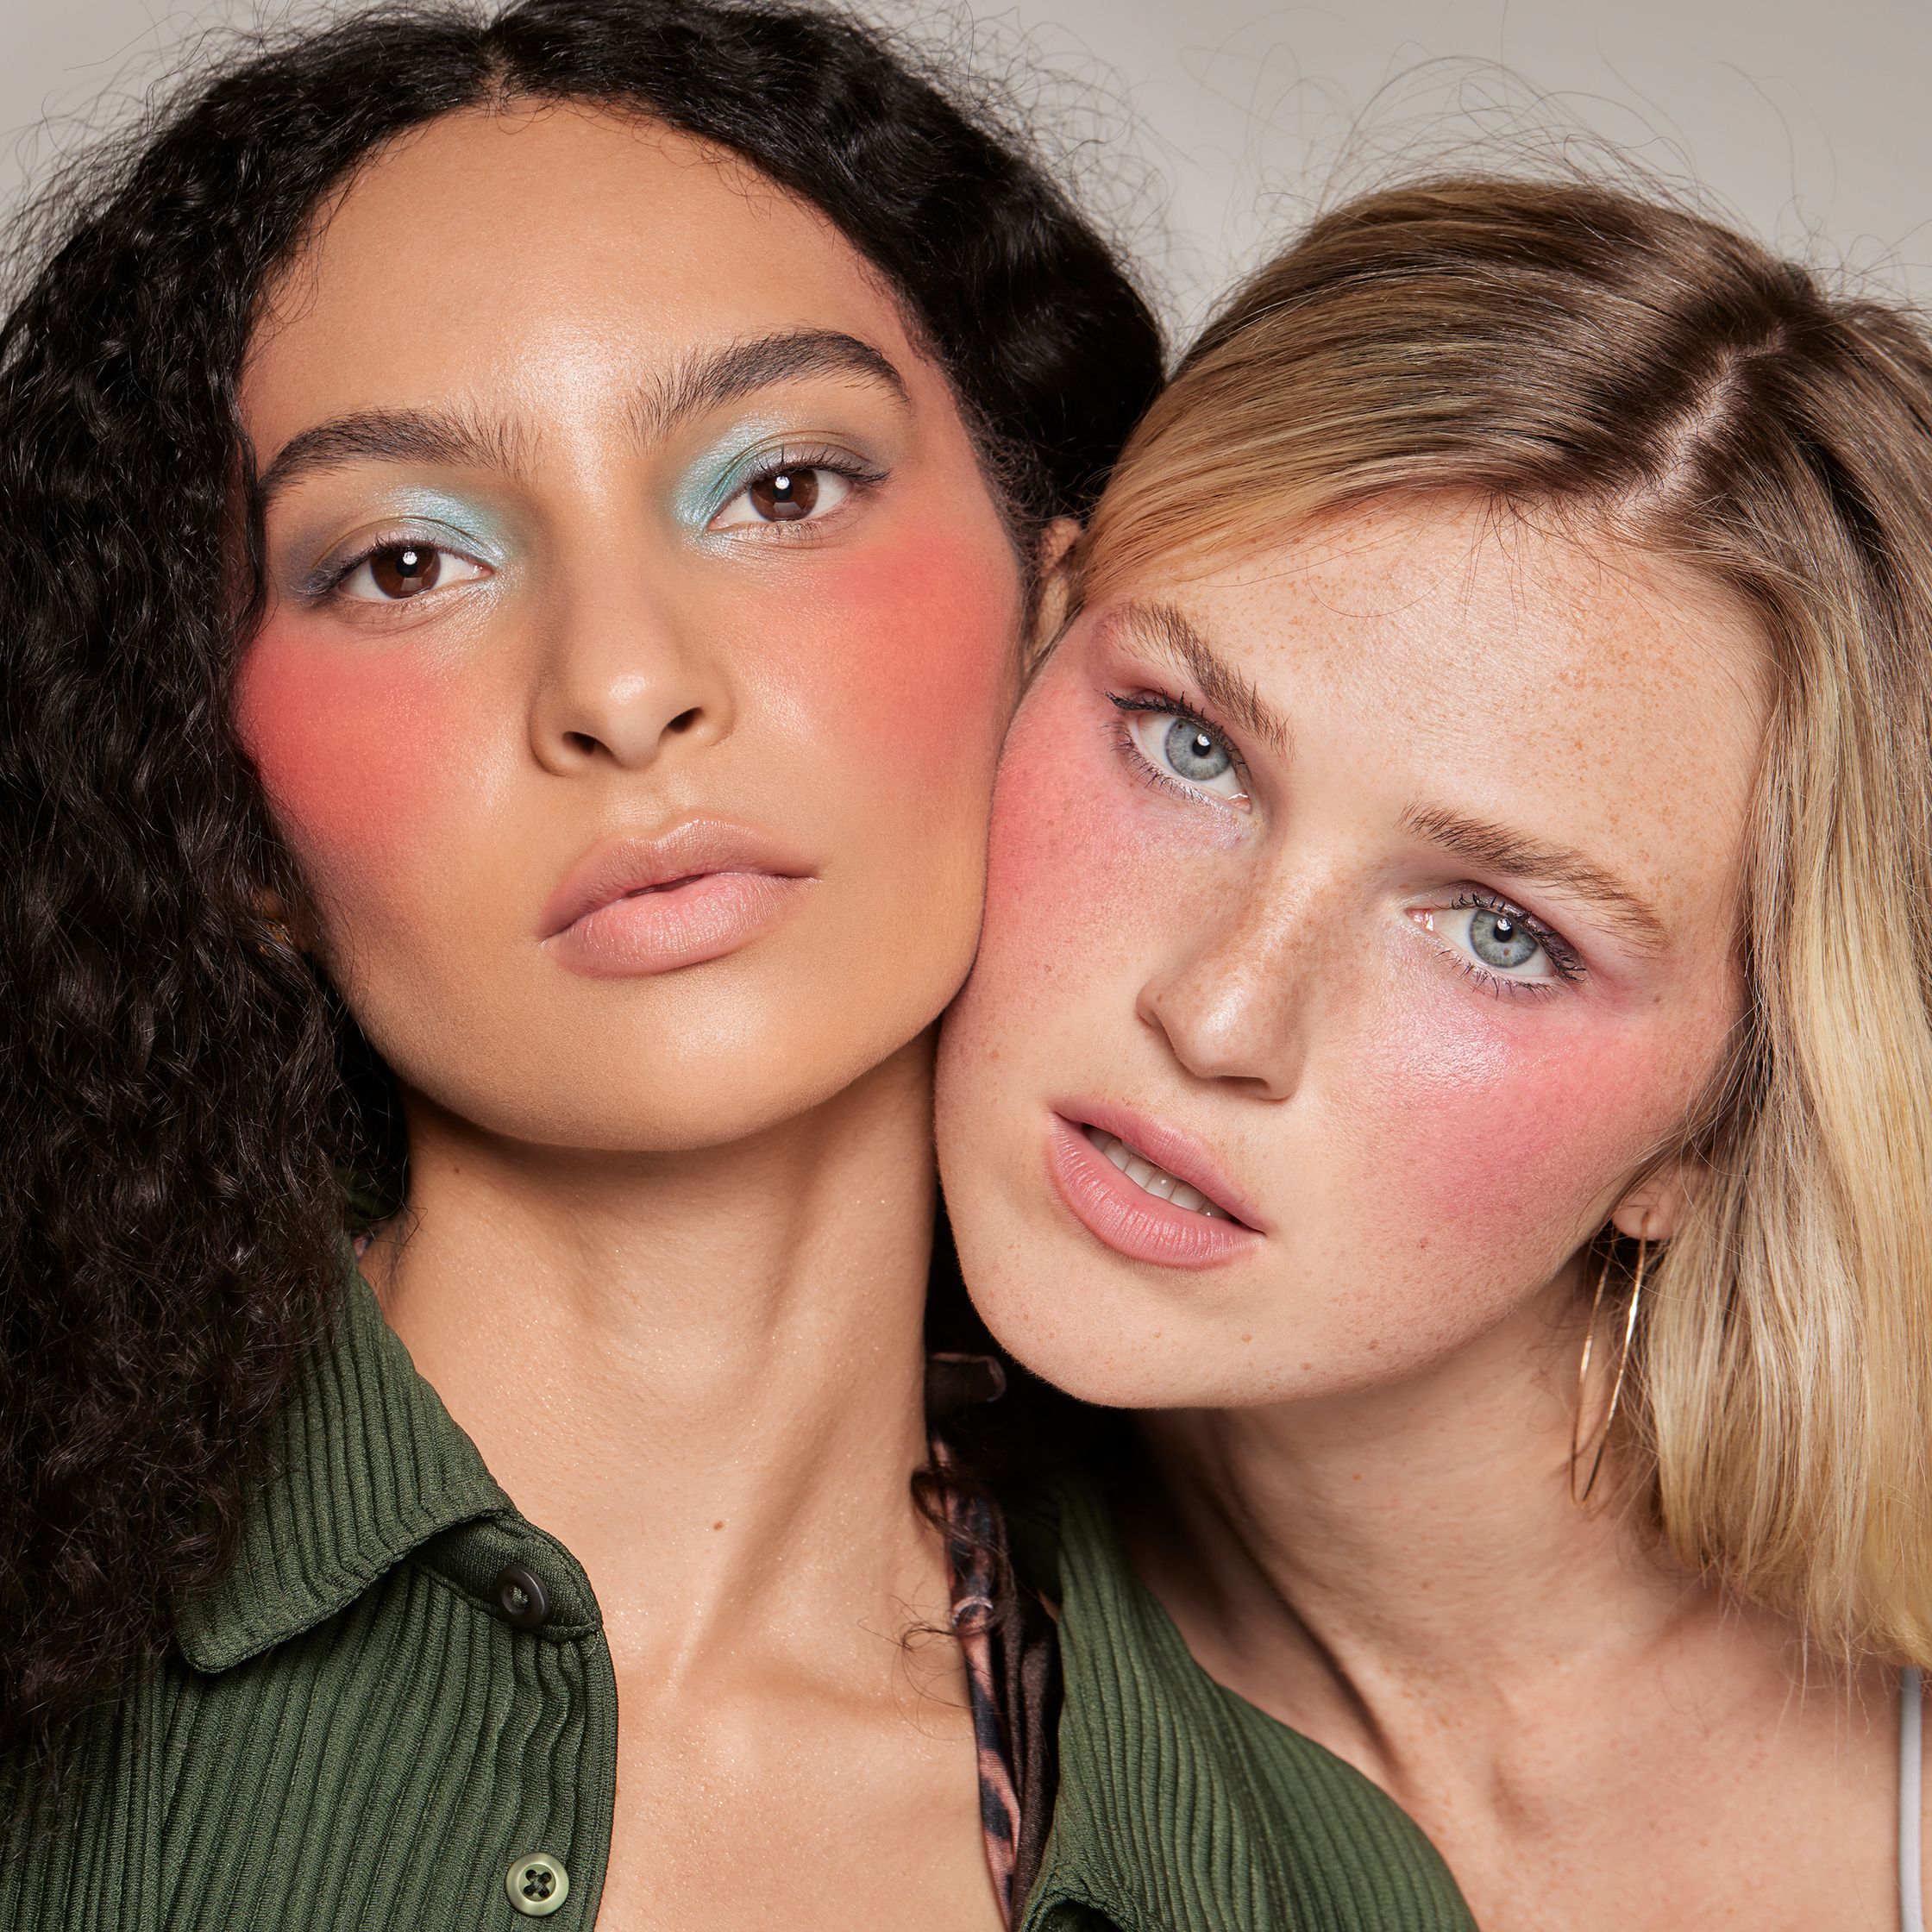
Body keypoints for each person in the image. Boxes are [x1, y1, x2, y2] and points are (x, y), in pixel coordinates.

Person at [0, 3, 1192, 1924]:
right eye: (404, 564)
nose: (627, 688)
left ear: (1060, 627)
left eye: (779, 489)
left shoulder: (1297, 1859)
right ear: (220, 819)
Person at [937, 174, 1932, 1930]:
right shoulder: (840, 1704)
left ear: (1721, 1120)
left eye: (1498, 930)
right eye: (1185, 747)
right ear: (1034, 631)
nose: (1220, 1012)